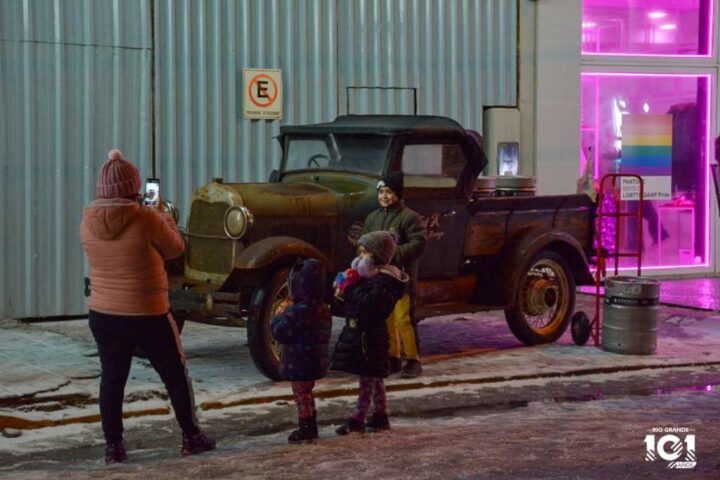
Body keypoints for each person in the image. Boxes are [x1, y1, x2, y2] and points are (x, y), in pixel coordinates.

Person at [80, 149, 215, 464]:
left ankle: (114, 447)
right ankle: (191, 436)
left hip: (103, 313)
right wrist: (164, 218)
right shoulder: (146, 217)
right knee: (174, 374)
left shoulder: (86, 221)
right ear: (134, 187)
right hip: (147, 312)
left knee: (112, 379)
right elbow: (175, 249)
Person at [331, 231, 408, 434]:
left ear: (378, 257)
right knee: (374, 377)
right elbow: (349, 308)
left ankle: (357, 420)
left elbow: (371, 305)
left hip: (371, 337)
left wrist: (350, 290)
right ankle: (381, 416)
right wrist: (340, 293)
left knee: (367, 379)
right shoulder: (366, 278)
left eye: (365, 252)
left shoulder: (385, 282)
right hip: (362, 334)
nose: (360, 257)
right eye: (360, 251)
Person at [361, 171, 428, 378]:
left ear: (398, 194)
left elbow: (419, 243)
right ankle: (393, 357)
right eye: (381, 192)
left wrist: (392, 253)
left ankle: (413, 360)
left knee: (403, 319)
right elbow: (365, 241)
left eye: (389, 192)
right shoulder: (373, 218)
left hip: (401, 278)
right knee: (387, 318)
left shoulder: (409, 217)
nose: (384, 196)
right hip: (380, 279)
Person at [270, 258, 332, 444]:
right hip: (314, 361)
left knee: (302, 396)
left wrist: (277, 317)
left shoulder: (296, 312)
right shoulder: (323, 309)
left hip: (298, 362)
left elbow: (281, 333)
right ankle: (310, 423)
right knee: (307, 393)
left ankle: (306, 427)